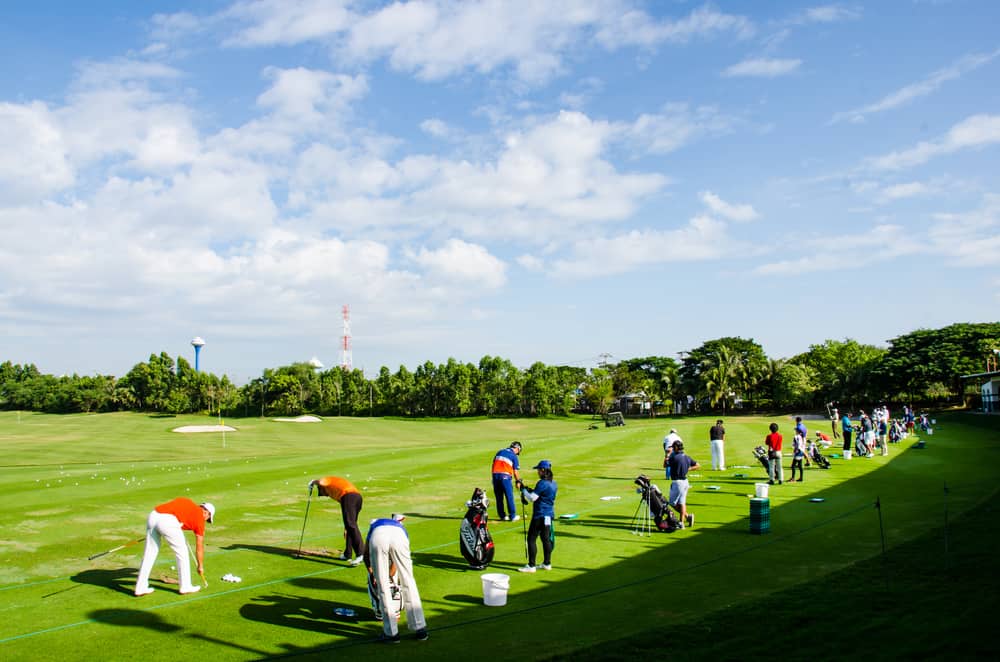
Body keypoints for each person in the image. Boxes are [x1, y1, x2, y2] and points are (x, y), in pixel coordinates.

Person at [364, 513, 428, 643]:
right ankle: (420, 628)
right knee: (408, 581)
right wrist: (390, 574)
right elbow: (395, 565)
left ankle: (391, 633)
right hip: (399, 539)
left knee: (383, 586)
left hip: (378, 538)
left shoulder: (374, 527)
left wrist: (374, 574)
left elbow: (365, 555)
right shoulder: (401, 529)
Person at [134, 498, 215, 596]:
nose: (206, 521)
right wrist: (200, 565)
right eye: (208, 519)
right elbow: (199, 547)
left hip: (153, 515)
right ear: (206, 513)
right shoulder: (200, 519)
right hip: (168, 521)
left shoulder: (187, 502)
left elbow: (178, 516)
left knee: (150, 553)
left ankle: (140, 587)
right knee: (182, 552)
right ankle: (185, 586)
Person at [308, 476, 365, 565]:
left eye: (322, 492)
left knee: (350, 525)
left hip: (349, 496)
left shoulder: (327, 481)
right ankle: (348, 554)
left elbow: (321, 481)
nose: (325, 494)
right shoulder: (333, 489)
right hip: (357, 498)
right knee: (349, 526)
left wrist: (313, 482)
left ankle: (361, 554)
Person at [517, 459, 558, 572]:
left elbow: (532, 498)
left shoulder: (542, 483)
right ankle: (547, 563)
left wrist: (523, 489)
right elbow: (541, 495)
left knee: (531, 539)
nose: (537, 472)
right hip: (548, 516)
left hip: (539, 515)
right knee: (545, 539)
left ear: (543, 470)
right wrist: (529, 490)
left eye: (539, 470)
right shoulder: (554, 483)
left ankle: (531, 566)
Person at [666, 440, 699, 528]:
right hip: (685, 482)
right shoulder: (686, 457)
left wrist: (668, 455)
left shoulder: (674, 457)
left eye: (673, 447)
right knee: (682, 502)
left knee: (672, 503)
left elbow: (665, 465)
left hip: (677, 483)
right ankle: (682, 522)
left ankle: (687, 517)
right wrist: (688, 469)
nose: (672, 449)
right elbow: (697, 465)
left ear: (676, 448)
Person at [491, 441, 523, 521]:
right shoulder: (513, 456)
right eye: (518, 451)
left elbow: (493, 464)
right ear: (517, 448)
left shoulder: (500, 451)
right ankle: (512, 516)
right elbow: (515, 472)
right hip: (505, 477)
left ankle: (502, 516)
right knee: (509, 496)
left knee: (499, 497)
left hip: (495, 476)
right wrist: (518, 481)